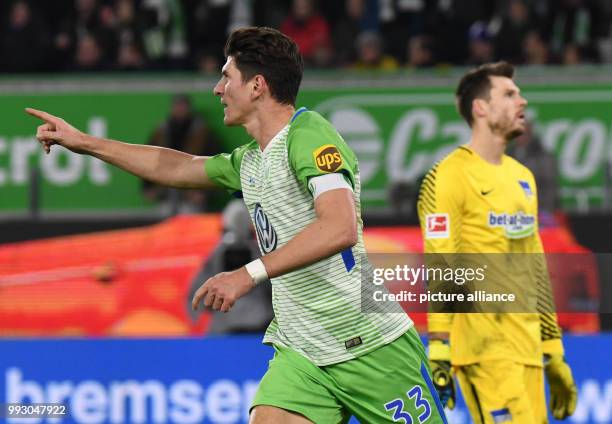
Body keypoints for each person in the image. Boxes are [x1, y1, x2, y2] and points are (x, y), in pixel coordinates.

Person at [27, 26, 446, 424]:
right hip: (302, 352)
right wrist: (85, 143)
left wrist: (248, 274)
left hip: (369, 345)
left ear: (257, 85)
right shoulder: (250, 161)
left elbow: (339, 228)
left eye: (226, 77)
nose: (217, 89)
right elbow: (176, 166)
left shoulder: (310, 136)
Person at [417, 62, 577, 423]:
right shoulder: (446, 177)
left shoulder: (523, 178)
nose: (522, 101)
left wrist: (553, 350)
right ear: (481, 108)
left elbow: (535, 268)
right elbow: (440, 263)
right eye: (509, 94)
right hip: (483, 352)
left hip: (528, 351)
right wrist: (440, 345)